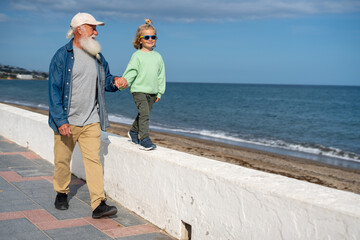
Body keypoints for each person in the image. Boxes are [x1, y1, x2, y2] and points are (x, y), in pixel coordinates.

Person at [48, 12, 128, 218]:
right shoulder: (62, 56)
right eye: (92, 27)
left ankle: (98, 204)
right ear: (79, 30)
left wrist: (116, 82)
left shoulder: (97, 56)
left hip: (91, 118)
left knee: (93, 160)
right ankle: (61, 193)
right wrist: (60, 120)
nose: (96, 32)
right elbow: (54, 90)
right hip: (67, 120)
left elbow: (106, 80)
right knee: (62, 161)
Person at [122, 19, 166, 151]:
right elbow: (131, 72)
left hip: (152, 91)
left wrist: (160, 92)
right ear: (140, 40)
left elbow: (161, 75)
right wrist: (123, 83)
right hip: (139, 90)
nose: (150, 39)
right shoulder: (137, 56)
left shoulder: (158, 56)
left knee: (143, 114)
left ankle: (133, 131)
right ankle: (145, 139)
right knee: (145, 114)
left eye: (153, 37)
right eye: (147, 37)